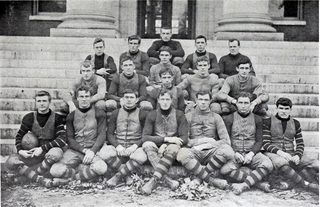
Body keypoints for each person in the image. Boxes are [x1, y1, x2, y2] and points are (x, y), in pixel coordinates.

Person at [6, 91, 66, 187]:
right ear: (35, 102)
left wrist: (42, 148)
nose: (41, 103)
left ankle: (30, 175)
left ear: (49, 102)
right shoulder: (29, 117)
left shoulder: (57, 117)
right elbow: (19, 136)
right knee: (11, 161)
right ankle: (39, 177)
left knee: (56, 153)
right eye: (39, 101)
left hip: (47, 153)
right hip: (32, 153)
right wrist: (20, 150)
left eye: (44, 101)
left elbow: (62, 139)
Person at [176, 90, 233, 189]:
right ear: (196, 100)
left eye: (206, 100)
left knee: (228, 151)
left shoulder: (216, 117)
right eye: (200, 99)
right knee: (182, 153)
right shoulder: (188, 117)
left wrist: (211, 144)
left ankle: (199, 178)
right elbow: (185, 139)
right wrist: (201, 142)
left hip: (211, 151)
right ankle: (211, 180)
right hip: (195, 150)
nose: (203, 102)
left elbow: (226, 140)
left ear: (210, 101)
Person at [50, 86, 107, 183]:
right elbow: (70, 138)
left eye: (86, 96)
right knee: (54, 171)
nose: (84, 99)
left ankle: (69, 180)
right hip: (75, 150)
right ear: (77, 98)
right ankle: (85, 175)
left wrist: (92, 151)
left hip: (93, 149)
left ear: (90, 97)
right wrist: (83, 150)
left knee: (101, 168)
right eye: (81, 96)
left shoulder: (99, 113)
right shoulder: (71, 116)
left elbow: (102, 135)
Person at [262, 97, 319, 194]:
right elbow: (266, 143)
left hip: (291, 152)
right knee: (282, 163)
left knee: (315, 163)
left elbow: (300, 143)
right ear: (276, 108)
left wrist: (298, 155)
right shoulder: (268, 122)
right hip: (273, 153)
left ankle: (294, 182)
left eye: (286, 109)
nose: (283, 111)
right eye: (281, 108)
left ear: (290, 110)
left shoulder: (295, 123)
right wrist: (281, 153)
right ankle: (306, 185)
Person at [221, 92, 273, 195]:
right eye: (240, 102)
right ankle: (257, 183)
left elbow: (259, 140)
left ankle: (243, 185)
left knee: (268, 164)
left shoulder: (257, 119)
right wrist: (234, 153)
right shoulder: (229, 118)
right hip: (235, 153)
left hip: (251, 153)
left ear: (250, 104)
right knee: (224, 170)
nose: (243, 105)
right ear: (236, 104)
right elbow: (225, 140)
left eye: (246, 103)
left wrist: (251, 153)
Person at [141, 89, 188, 194]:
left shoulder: (179, 114)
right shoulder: (152, 114)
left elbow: (184, 138)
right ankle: (167, 180)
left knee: (174, 147)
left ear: (171, 100)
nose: (165, 102)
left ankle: (154, 180)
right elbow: (145, 137)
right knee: (147, 144)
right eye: (162, 99)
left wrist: (166, 145)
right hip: (157, 146)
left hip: (172, 149)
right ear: (158, 100)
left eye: (167, 99)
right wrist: (165, 140)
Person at [100, 89, 149, 187]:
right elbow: (109, 133)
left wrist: (134, 146)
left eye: (132, 97)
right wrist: (117, 146)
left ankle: (118, 176)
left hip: (135, 147)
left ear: (136, 100)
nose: (129, 100)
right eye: (126, 97)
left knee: (141, 156)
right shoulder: (116, 113)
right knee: (104, 152)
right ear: (122, 99)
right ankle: (127, 176)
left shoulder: (142, 113)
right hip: (120, 147)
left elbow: (146, 135)